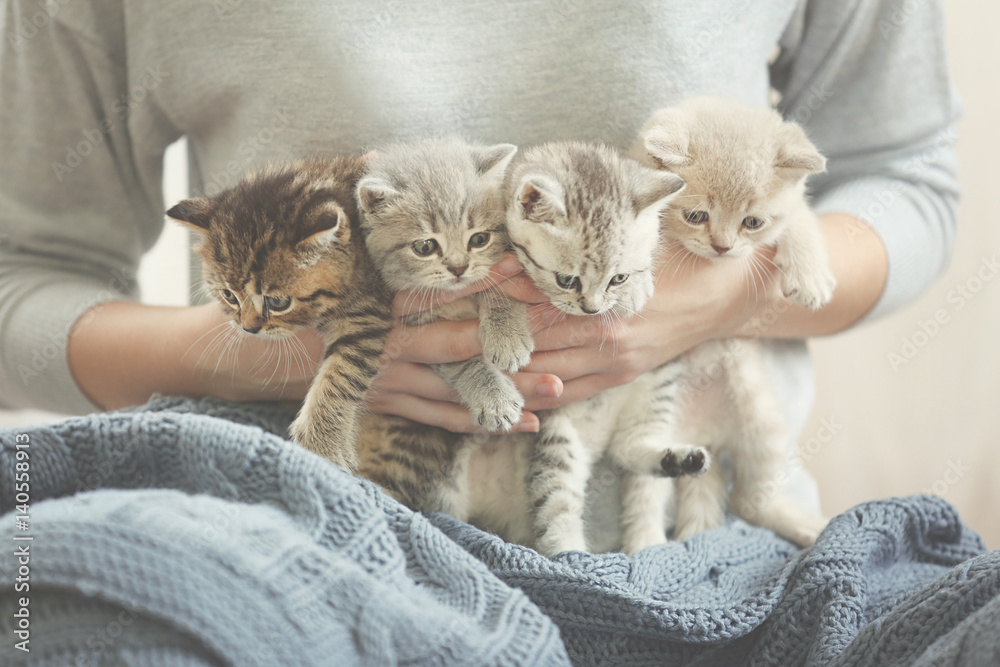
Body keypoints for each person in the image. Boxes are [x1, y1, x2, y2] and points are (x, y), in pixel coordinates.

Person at [0, 1, 958, 522]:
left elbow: (905, 180)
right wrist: (271, 348)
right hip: (291, 528)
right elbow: (23, 278)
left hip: (693, 527)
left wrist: (703, 300)